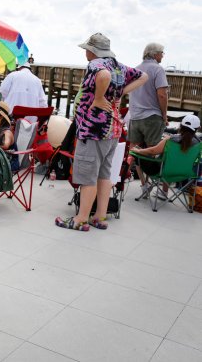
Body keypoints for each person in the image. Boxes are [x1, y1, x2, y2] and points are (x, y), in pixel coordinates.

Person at [55, 33, 147, 231]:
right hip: (112, 129)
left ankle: (80, 219)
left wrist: (98, 98)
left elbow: (103, 76)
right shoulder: (119, 66)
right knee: (104, 175)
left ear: (92, 51)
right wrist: (122, 91)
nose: (85, 53)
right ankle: (100, 216)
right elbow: (143, 76)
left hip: (94, 130)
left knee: (88, 176)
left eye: (86, 49)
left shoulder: (97, 65)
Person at [128, 43, 169, 193]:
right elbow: (162, 94)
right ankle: (162, 188)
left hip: (135, 117)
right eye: (162, 53)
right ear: (155, 54)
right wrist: (164, 115)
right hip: (152, 117)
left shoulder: (136, 69)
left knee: (135, 151)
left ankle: (144, 184)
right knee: (157, 152)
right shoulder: (158, 69)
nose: (163, 55)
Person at [131, 114, 200, 199]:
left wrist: (138, 150)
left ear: (181, 126)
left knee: (138, 154)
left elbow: (152, 151)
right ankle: (164, 192)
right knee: (170, 161)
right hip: (185, 174)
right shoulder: (199, 144)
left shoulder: (171, 140)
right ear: (197, 128)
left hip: (162, 173)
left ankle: (145, 186)